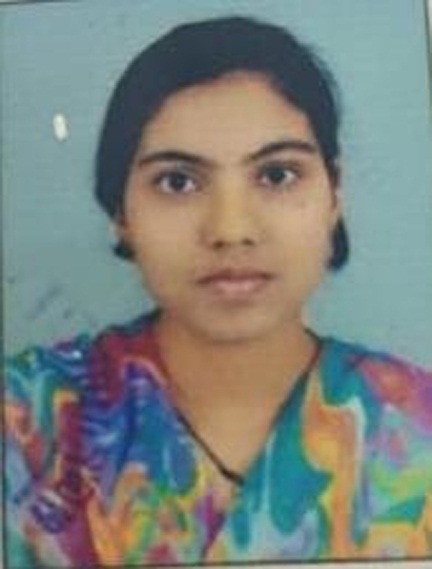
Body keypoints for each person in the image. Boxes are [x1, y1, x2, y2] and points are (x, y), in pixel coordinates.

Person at [5, 15, 432, 567]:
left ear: (335, 193)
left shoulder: (415, 426)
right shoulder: (26, 423)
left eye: (277, 175)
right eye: (178, 181)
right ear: (121, 212)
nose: (231, 229)